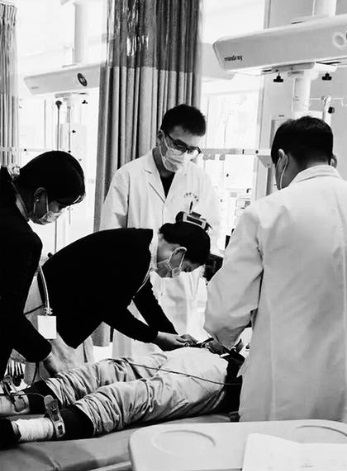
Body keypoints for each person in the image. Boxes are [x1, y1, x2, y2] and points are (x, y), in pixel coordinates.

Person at [205, 116, 347, 448]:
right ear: (332, 160)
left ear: (281, 160)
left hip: (286, 393)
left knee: (284, 459)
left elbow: (224, 314)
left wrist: (226, 339)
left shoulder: (265, 214)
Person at [18, 212, 212, 381]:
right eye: (184, 268)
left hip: (67, 312)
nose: (176, 274)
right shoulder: (136, 251)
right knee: (61, 383)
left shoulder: (142, 246)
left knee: (74, 379)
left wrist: (174, 337)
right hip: (52, 309)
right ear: (179, 252)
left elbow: (146, 300)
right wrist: (157, 337)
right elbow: (112, 312)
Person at [100, 104, 221, 358]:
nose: (184, 155)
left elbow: (209, 235)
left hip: (180, 290)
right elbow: (109, 239)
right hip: (135, 290)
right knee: (132, 368)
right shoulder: (128, 176)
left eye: (192, 150)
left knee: (174, 366)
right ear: (160, 136)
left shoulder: (199, 180)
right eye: (179, 145)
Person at [0, 340, 242, 448]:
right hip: (213, 360)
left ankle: (17, 430)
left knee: (130, 394)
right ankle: (9, 406)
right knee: (105, 372)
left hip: (224, 375)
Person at [0, 152, 85, 378]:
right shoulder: (22, 240)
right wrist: (48, 355)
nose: (59, 214)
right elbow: (7, 315)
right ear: (39, 195)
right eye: (60, 206)